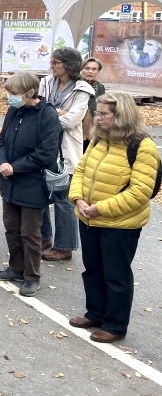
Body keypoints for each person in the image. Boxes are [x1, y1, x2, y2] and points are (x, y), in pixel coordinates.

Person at [68, 92, 160, 343]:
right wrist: (78, 199)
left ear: (121, 116)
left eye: (103, 113)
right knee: (93, 270)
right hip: (88, 217)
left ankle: (115, 325)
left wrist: (101, 208)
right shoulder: (100, 139)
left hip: (120, 224)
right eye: (98, 112)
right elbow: (81, 170)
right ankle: (95, 313)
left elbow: (140, 191)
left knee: (116, 275)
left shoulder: (142, 146)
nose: (98, 117)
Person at [0, 72, 61, 297]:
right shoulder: (14, 110)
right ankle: (15, 268)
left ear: (30, 93)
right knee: (11, 228)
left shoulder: (47, 115)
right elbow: (1, 141)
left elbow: (46, 153)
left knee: (30, 233)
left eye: (13, 93)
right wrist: (2, 161)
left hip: (32, 181)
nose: (9, 98)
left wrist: (15, 167)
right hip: (9, 180)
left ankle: (32, 276)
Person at [39, 47, 95, 261]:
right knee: (40, 193)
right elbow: (39, 110)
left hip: (66, 151)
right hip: (44, 146)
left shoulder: (82, 90)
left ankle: (65, 246)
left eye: (56, 62)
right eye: (51, 61)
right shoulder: (45, 82)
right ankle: (44, 237)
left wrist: (49, 114)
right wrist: (57, 112)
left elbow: (72, 121)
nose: (52, 65)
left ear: (68, 65)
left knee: (63, 198)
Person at [80, 57, 106, 153]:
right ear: (81, 70)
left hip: (93, 131)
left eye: (94, 69)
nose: (90, 71)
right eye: (87, 68)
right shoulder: (75, 85)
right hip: (77, 131)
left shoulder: (99, 87)